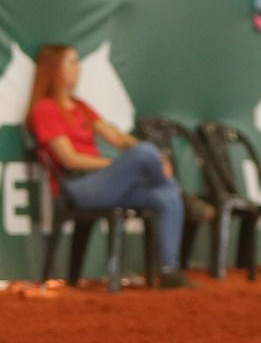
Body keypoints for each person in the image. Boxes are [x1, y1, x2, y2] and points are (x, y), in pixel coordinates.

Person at [27, 43, 191, 288]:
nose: (78, 68)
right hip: (77, 186)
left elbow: (115, 136)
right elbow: (69, 159)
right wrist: (123, 164)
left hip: (105, 184)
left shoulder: (80, 106)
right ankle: (187, 198)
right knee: (146, 153)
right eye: (71, 62)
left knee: (167, 194)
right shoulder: (45, 109)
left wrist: (133, 152)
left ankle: (168, 270)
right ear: (54, 69)